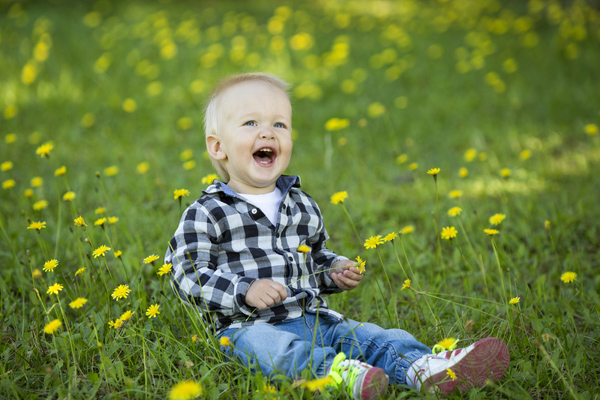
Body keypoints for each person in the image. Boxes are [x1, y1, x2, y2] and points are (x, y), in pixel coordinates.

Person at [164, 73, 510, 399]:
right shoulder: (207, 211)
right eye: (251, 123)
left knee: (370, 335)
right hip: (245, 327)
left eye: (279, 124)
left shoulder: (301, 204)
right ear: (217, 146)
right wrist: (245, 290)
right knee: (269, 349)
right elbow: (186, 272)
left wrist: (333, 270)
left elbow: (314, 257)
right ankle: (335, 373)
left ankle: (421, 367)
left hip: (315, 319)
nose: (268, 133)